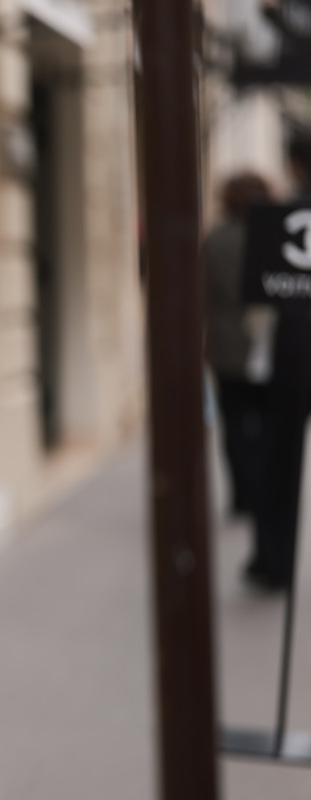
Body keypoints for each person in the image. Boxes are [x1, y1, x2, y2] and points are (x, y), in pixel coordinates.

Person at [248, 131, 311, 591]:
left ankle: (274, 563)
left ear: (294, 164)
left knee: (279, 462)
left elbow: (259, 295)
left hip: (293, 351)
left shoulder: (281, 217)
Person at [202, 172, 273, 523]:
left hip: (226, 347)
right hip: (266, 347)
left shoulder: (214, 241)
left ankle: (242, 495)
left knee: (233, 425)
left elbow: (201, 296)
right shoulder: (272, 240)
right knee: (264, 423)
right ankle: (262, 490)